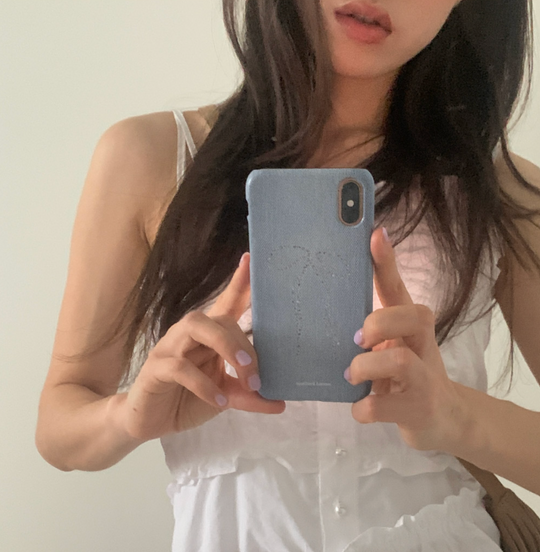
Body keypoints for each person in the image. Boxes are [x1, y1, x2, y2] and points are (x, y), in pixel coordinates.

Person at [36, 0, 540, 550]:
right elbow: (59, 427)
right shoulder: (152, 157)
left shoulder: (503, 194)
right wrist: (130, 416)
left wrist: (455, 414)